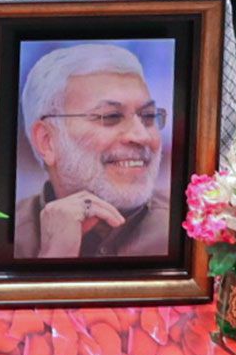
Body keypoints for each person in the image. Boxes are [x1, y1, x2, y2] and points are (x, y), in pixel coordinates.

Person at [12, 43, 174, 259]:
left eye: (148, 116)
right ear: (47, 141)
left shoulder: (194, 230)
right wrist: (55, 256)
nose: (142, 136)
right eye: (110, 117)